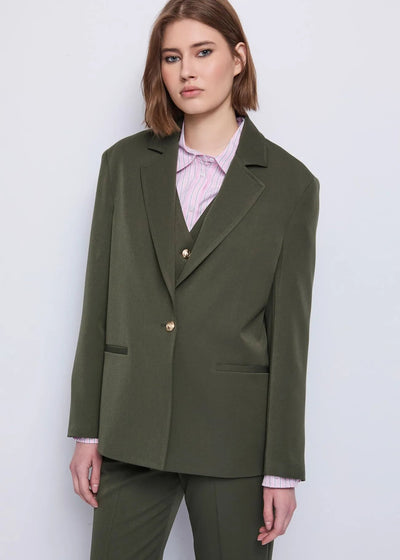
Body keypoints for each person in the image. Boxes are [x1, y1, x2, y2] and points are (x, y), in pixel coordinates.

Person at [67, 0, 320, 558]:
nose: (186, 71)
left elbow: (289, 336)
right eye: (171, 57)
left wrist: (282, 469)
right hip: (132, 429)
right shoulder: (123, 165)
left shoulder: (291, 185)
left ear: (238, 59)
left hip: (234, 438)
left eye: (203, 52)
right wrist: (87, 431)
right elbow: (98, 301)